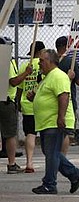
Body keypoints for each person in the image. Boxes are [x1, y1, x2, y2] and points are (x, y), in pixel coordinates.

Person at [30, 49, 79, 194]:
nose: (39, 63)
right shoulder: (48, 77)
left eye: (42, 61)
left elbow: (63, 97)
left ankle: (49, 184)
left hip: (54, 122)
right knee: (50, 151)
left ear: (50, 61)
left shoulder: (58, 76)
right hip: (47, 122)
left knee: (52, 152)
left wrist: (60, 117)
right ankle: (74, 173)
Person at [16, 41, 45, 173]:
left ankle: (29, 162)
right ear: (41, 52)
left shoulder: (24, 66)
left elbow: (20, 88)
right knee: (46, 134)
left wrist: (18, 103)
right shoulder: (45, 65)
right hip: (43, 103)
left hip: (27, 104)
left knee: (30, 134)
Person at [1, 37, 25, 173]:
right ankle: (11, 163)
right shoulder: (7, 62)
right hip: (6, 101)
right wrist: (26, 73)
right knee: (10, 134)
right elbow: (14, 81)